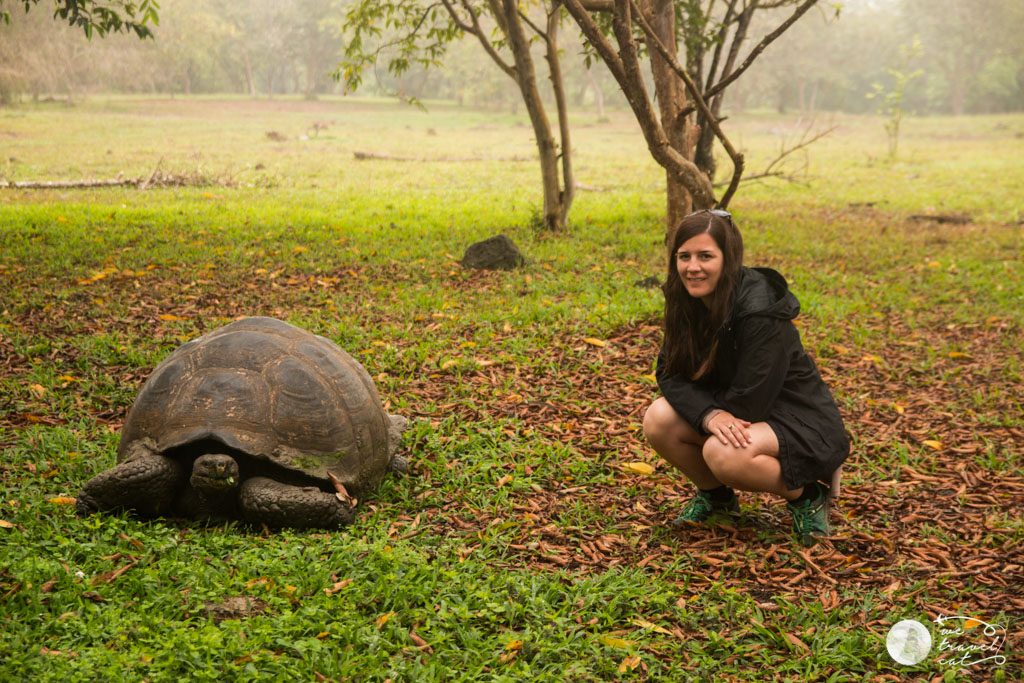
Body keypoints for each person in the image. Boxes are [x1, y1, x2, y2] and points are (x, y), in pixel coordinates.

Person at [643, 209, 849, 545]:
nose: (692, 267)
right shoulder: (685, 299)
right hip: (736, 410)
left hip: (797, 416)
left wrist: (714, 417)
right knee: (658, 419)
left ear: (729, 258)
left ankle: (808, 495)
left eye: (705, 256)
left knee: (723, 453)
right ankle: (717, 499)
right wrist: (709, 414)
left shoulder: (760, 309)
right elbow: (668, 371)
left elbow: (752, 400)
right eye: (684, 257)